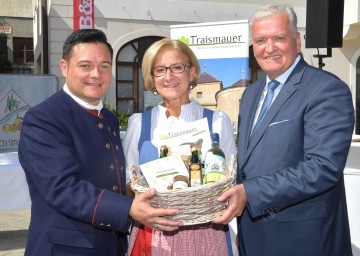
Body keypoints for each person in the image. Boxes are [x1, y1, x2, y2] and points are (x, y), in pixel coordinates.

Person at [18, 29, 182, 256]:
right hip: (67, 248)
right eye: (85, 66)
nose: (96, 74)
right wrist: (129, 208)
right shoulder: (44, 118)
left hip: (110, 245)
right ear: (65, 67)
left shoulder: (109, 118)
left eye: (104, 66)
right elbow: (62, 187)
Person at [213, 3, 354, 256]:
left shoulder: (326, 90)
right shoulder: (252, 93)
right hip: (254, 236)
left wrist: (250, 193)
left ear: (297, 41)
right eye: (260, 40)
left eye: (279, 38)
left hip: (304, 242)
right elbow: (248, 164)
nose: (269, 48)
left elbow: (322, 167)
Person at [122, 38, 237, 255]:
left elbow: (230, 180)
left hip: (207, 232)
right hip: (154, 234)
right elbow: (129, 183)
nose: (169, 76)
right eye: (160, 70)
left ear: (191, 72)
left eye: (177, 67)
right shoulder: (139, 123)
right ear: (151, 77)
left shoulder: (217, 122)